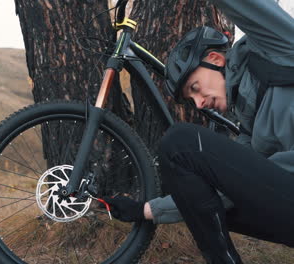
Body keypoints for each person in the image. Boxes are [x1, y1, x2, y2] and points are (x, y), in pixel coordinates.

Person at [103, 0, 294, 263]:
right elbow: (223, 193)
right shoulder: (251, 130)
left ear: (215, 59)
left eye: (195, 88)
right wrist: (146, 210)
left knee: (181, 143)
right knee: (198, 194)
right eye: (192, 100)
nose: (200, 103)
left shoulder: (279, 47)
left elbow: (249, 7)